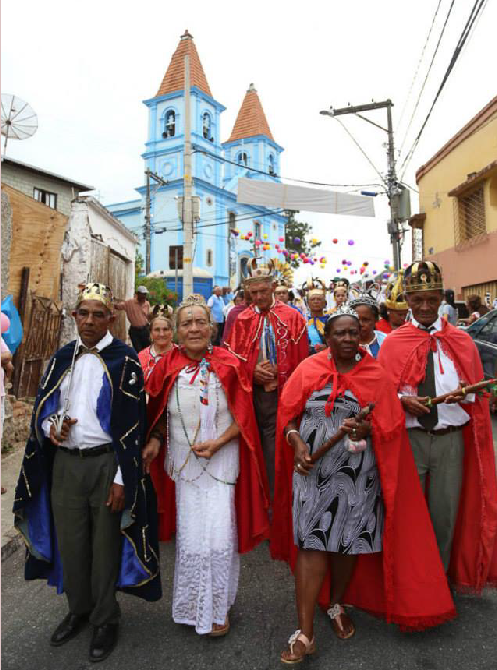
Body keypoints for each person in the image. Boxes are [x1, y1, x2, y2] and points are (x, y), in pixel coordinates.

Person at [272, 306, 456, 664]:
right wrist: (296, 441)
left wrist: (368, 430)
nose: (346, 339)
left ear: (361, 338)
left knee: (345, 546)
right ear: (327, 338)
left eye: (352, 333)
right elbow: (287, 415)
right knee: (311, 544)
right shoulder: (309, 369)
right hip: (312, 470)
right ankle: (305, 633)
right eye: (339, 333)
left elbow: (390, 426)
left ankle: (336, 602)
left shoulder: (375, 374)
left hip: (357, 476)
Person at [13, 283, 161, 663]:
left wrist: (120, 479)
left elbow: (133, 425)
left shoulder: (125, 360)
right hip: (66, 465)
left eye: (99, 314)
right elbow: (44, 408)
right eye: (84, 313)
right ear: (75, 317)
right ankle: (79, 610)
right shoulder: (63, 357)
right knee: (72, 544)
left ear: (111, 319)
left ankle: (105, 618)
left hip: (105, 464)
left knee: (105, 545)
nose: (91, 320)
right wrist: (51, 427)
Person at [143, 295, 270, 636]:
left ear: (212, 328)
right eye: (187, 323)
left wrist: (219, 442)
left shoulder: (229, 364)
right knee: (191, 538)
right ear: (176, 331)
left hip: (222, 461)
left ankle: (217, 609)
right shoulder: (166, 365)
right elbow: (156, 413)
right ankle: (191, 607)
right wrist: (154, 440)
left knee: (217, 537)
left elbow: (245, 418)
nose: (194, 328)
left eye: (201, 322)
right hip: (184, 465)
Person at [378, 261, 497, 584]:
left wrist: (466, 395)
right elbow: (378, 394)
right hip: (409, 440)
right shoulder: (392, 344)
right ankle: (409, 581)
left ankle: (439, 582)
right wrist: (403, 401)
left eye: (431, 299)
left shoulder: (461, 341)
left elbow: (478, 395)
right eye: (418, 300)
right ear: (407, 300)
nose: (426, 306)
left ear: (440, 298)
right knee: (406, 514)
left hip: (450, 440)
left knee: (445, 516)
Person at [225, 258, 308, 498]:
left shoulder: (293, 318)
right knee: (252, 447)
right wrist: (252, 372)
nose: (259, 298)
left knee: (276, 448)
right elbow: (231, 360)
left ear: (273, 288)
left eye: (263, 291)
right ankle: (258, 500)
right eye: (253, 293)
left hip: (282, 395)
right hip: (251, 395)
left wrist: (280, 378)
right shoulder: (241, 319)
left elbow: (302, 362)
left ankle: (277, 498)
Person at [139, 312, 176, 383]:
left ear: (171, 333)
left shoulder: (181, 354)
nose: (161, 334)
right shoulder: (141, 357)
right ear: (150, 334)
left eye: (165, 329)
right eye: (157, 330)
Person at [349, 294, 387, 359]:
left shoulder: (386, 340)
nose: (360, 324)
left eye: (366, 320)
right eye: (356, 320)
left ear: (376, 319)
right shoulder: (346, 344)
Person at [115, 285, 151, 352]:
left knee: (148, 350)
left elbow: (147, 316)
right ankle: (141, 361)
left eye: (145, 294)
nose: (144, 296)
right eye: (142, 294)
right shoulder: (129, 303)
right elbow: (117, 306)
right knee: (139, 351)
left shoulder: (147, 304)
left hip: (145, 330)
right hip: (135, 331)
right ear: (137, 294)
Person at [302, 278, 329, 355]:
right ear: (307, 303)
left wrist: (328, 348)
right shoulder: (303, 322)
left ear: (325, 303)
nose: (316, 302)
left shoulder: (331, 321)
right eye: (312, 299)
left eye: (319, 299)